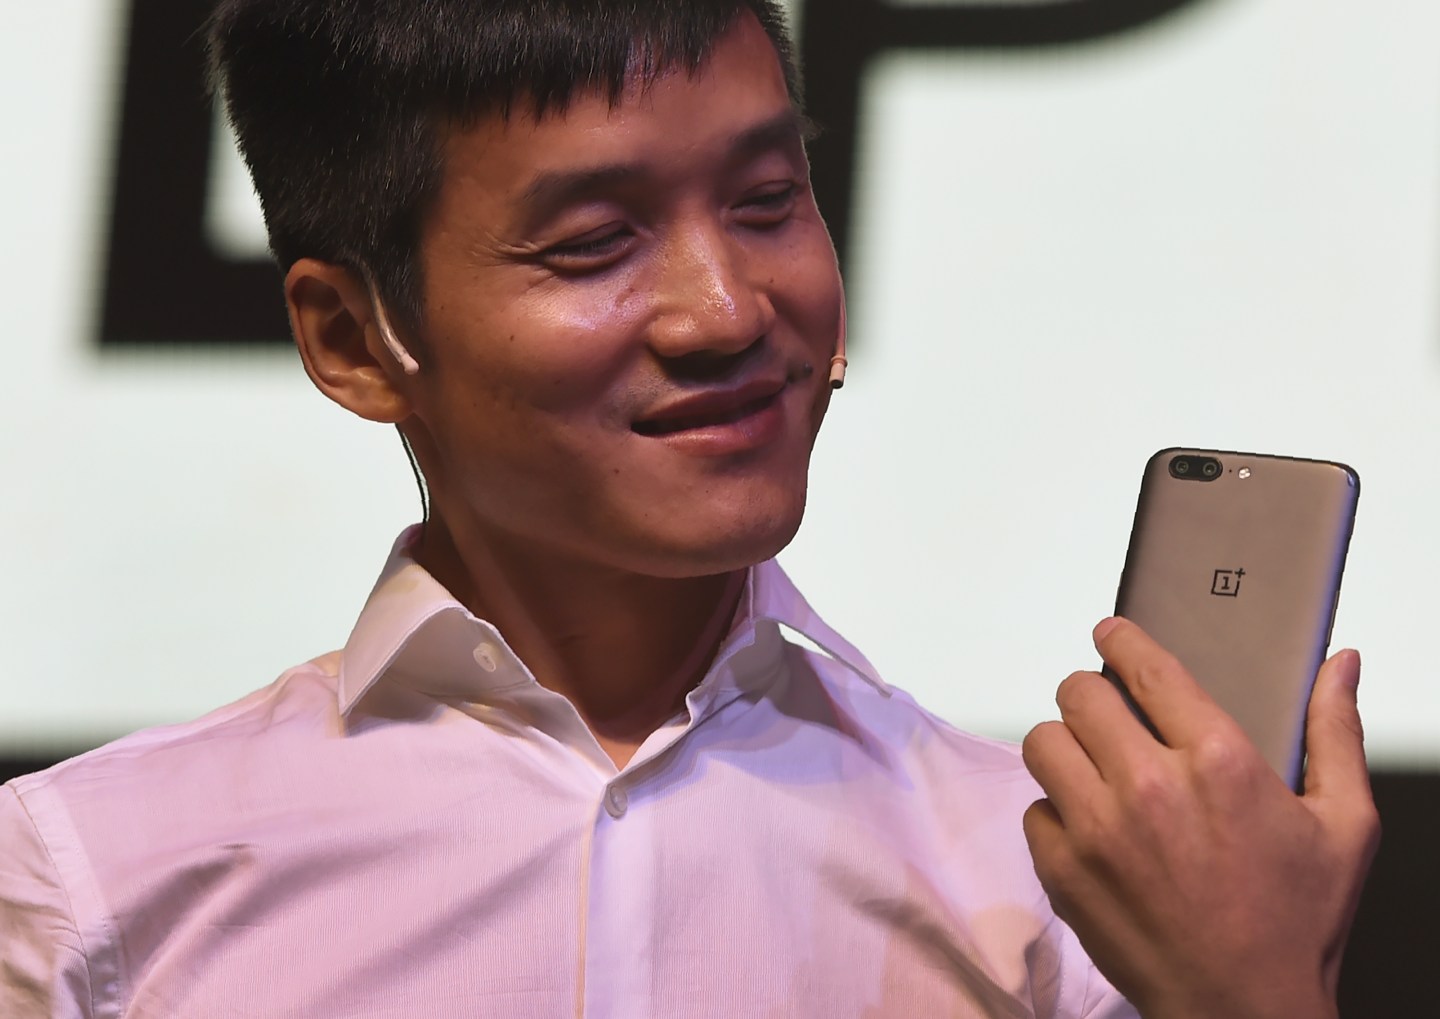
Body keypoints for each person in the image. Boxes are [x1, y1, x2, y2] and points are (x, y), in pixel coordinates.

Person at [0, 2, 1378, 1016]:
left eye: (772, 200)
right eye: (595, 244)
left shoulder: (1064, 889)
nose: (727, 312)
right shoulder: (98, 889)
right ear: (353, 338)